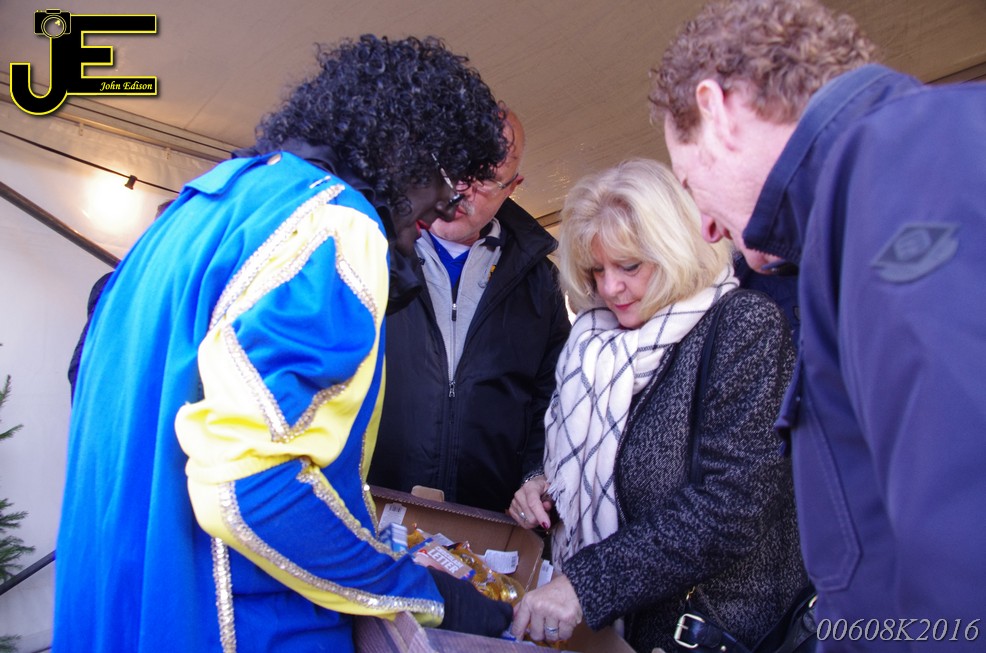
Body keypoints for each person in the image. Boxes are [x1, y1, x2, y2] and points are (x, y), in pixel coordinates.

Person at [53, 35, 515, 653]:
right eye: (447, 190)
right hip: (224, 617)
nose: (437, 216)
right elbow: (252, 485)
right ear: (409, 152)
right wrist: (419, 589)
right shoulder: (336, 223)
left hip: (117, 599)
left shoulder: (207, 204)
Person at [650, 0, 986, 649]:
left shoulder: (904, 173)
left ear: (716, 110)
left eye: (690, 185)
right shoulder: (869, 199)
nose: (707, 228)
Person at [508, 159, 805, 652]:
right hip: (613, 631)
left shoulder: (743, 326)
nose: (609, 288)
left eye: (629, 266)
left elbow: (733, 505)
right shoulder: (593, 343)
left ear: (676, 250)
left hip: (709, 632)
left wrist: (586, 584)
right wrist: (543, 482)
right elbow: (594, 457)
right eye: (597, 269)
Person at [368, 107, 571, 511]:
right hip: (367, 506)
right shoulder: (370, 249)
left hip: (489, 520)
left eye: (486, 179)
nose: (462, 190)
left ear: (512, 187)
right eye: (455, 168)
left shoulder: (542, 282)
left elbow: (551, 400)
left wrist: (535, 475)